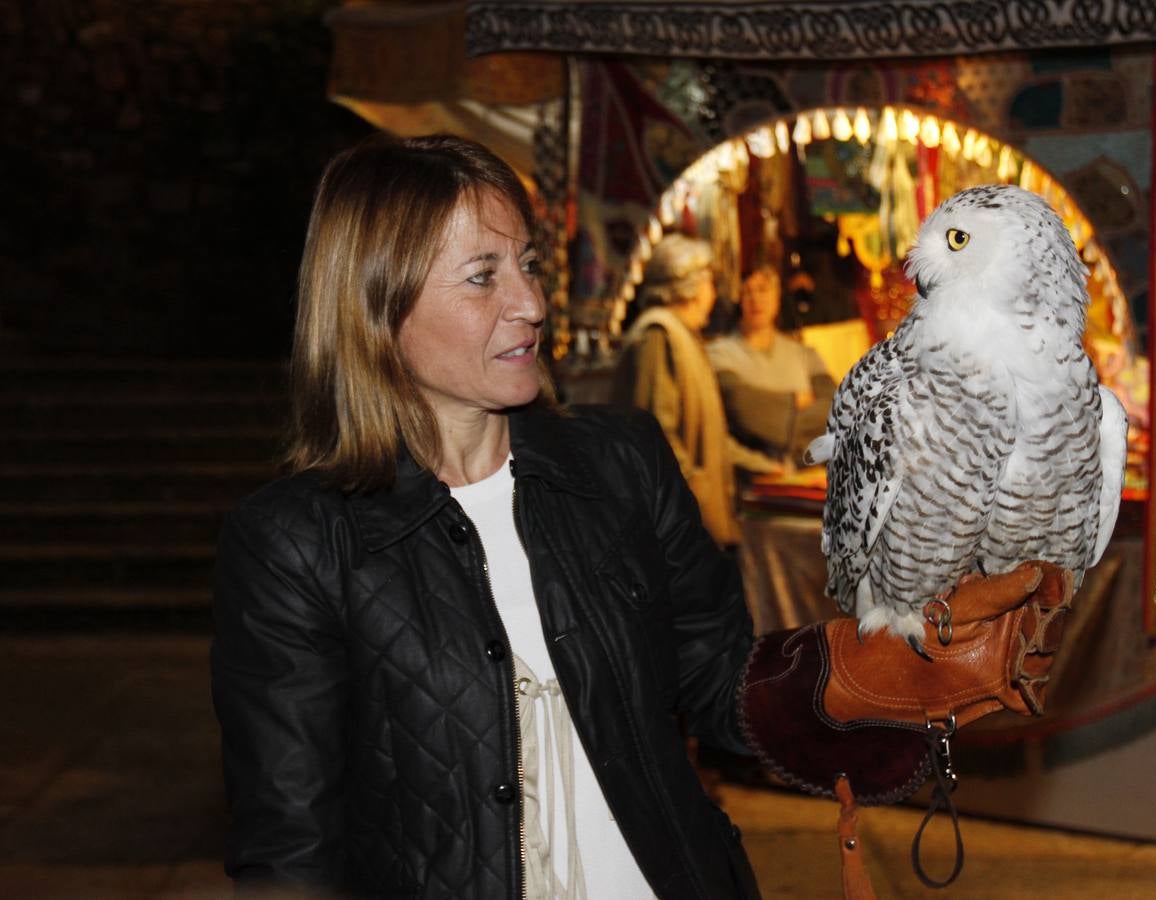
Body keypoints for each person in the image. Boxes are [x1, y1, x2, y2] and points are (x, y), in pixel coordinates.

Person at [211, 133, 1071, 900]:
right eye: (482, 277)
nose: (531, 304)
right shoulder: (293, 544)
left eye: (529, 265)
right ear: (376, 305)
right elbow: (290, 847)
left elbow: (720, 679)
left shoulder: (618, 465)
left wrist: (867, 678)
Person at [610, 234, 779, 547]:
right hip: (680, 536)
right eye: (710, 284)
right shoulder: (659, 335)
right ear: (695, 287)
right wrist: (694, 501)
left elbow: (713, 439)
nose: (713, 294)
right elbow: (658, 439)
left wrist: (768, 469)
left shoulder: (685, 338)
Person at [706, 264, 836, 463]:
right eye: (747, 291)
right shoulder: (720, 355)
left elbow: (834, 407)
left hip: (807, 477)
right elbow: (742, 407)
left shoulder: (804, 354)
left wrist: (771, 412)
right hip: (753, 477)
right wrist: (795, 401)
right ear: (738, 299)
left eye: (763, 290)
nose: (756, 299)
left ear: (777, 297)